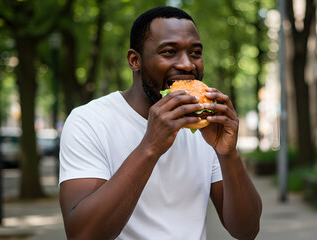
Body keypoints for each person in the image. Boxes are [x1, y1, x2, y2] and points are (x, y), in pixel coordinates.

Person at [59, 6, 262, 240]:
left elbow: (246, 231)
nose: (187, 65)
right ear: (135, 60)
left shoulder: (206, 126)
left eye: (195, 52)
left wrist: (228, 154)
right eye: (169, 52)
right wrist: (151, 146)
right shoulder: (89, 121)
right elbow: (82, 235)